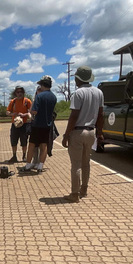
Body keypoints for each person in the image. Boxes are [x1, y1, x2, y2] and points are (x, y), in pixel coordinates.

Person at [61, 66, 104, 203]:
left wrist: (66, 134)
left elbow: (74, 115)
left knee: (76, 164)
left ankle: (74, 194)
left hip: (78, 131)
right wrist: (100, 132)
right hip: (91, 131)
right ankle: (84, 189)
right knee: (86, 163)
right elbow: (101, 114)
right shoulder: (99, 92)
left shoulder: (78, 93)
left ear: (78, 78)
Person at [21, 76, 57, 173]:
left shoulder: (39, 96)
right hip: (47, 124)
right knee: (44, 145)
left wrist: (30, 112)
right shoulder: (53, 97)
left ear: (42, 85)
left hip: (37, 125)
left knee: (32, 145)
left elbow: (34, 111)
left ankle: (28, 164)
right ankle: (40, 166)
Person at [6, 86, 32, 163]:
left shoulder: (27, 101)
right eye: (18, 92)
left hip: (24, 124)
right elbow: (7, 112)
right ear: (15, 93)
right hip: (15, 124)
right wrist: (14, 114)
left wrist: (24, 115)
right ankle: (14, 156)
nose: (19, 93)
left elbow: (31, 112)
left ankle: (24, 156)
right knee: (13, 141)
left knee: (24, 141)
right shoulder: (13, 101)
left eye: (21, 92)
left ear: (23, 93)